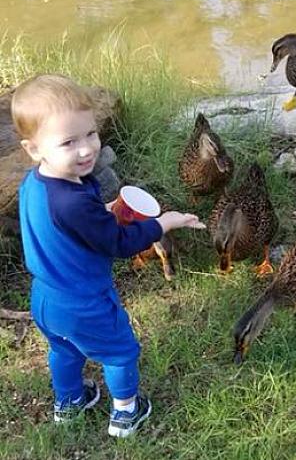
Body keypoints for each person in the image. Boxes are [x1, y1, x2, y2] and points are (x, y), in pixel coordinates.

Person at [11, 74, 203, 438]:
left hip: (46, 299)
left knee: (65, 350)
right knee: (120, 352)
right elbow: (119, 243)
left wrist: (107, 209)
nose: (86, 149)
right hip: (84, 302)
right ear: (33, 148)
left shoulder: (34, 183)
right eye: (68, 142)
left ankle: (69, 402)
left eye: (90, 134)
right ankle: (126, 413)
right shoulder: (73, 204)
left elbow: (67, 224)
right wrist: (163, 224)